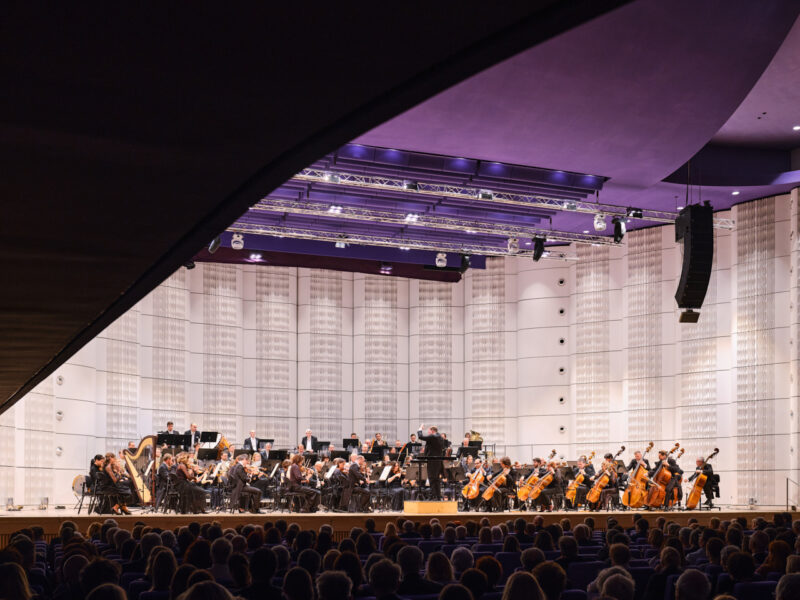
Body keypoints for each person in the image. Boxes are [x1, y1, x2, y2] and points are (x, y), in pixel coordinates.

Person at [417, 423, 445, 499]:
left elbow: (420, 436)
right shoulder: (440, 437)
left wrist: (420, 429)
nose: (428, 433)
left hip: (433, 461)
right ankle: (437, 496)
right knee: (436, 479)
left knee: (432, 479)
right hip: (438, 461)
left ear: (432, 431)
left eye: (429, 431)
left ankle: (434, 496)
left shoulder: (433, 436)